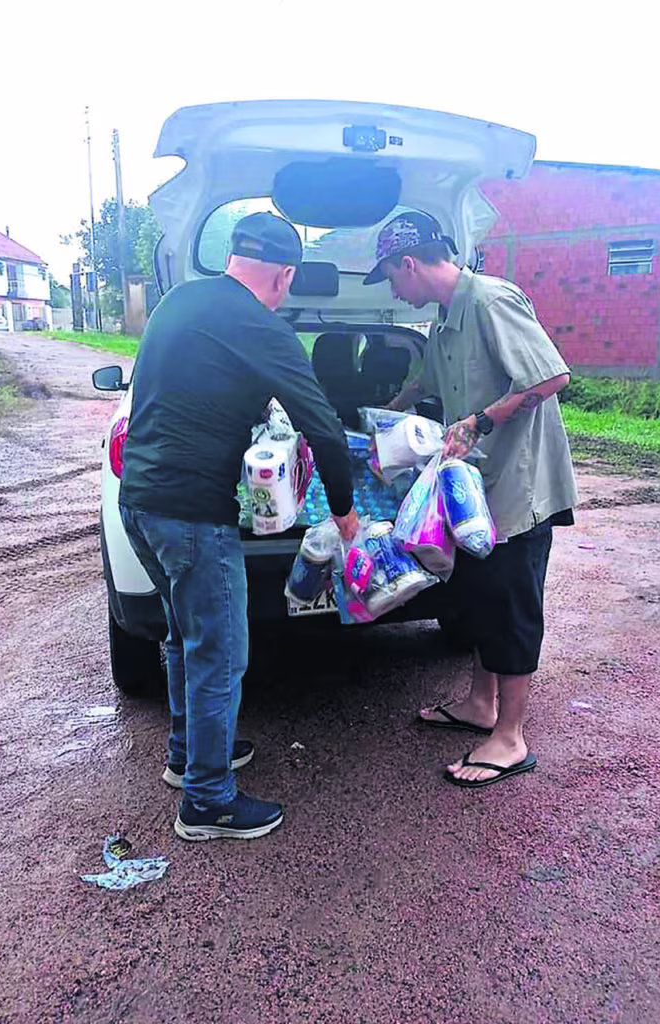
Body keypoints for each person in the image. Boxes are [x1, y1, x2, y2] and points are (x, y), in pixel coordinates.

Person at [119, 212, 360, 840]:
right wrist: (344, 510)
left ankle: (188, 755)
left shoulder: (180, 301)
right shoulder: (261, 326)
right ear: (285, 275)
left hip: (139, 504)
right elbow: (325, 428)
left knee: (183, 635)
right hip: (194, 515)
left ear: (233, 257)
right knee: (221, 655)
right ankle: (208, 801)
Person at [364, 210, 577, 789]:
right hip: (476, 492)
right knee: (481, 595)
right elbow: (424, 386)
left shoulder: (489, 300)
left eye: (390, 277)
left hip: (519, 486)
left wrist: (480, 421)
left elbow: (550, 378)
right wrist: (383, 421)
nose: (393, 290)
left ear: (409, 263)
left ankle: (510, 738)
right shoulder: (444, 321)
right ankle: (481, 705)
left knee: (511, 604)